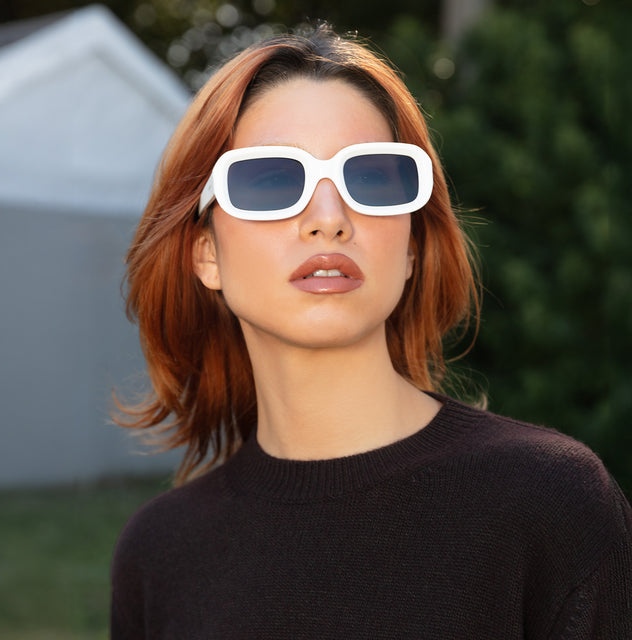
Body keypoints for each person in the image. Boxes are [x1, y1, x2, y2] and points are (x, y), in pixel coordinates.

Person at [110, 25, 631, 639]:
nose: (329, 220)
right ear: (205, 254)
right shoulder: (159, 555)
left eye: (373, 179)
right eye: (272, 180)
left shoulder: (548, 502)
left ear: (410, 245)